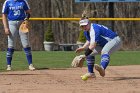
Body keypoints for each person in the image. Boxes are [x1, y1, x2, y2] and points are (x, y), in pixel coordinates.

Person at [2, 0, 35, 71]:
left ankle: (30, 64)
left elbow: (28, 13)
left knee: (26, 44)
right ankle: (8, 65)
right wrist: (5, 27)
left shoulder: (23, 1)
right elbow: (4, 15)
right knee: (11, 45)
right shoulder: (7, 2)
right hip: (11, 23)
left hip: (22, 23)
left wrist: (26, 19)